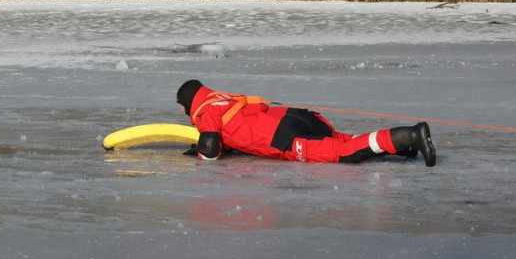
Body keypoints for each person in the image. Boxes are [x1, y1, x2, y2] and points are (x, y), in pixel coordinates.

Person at [176, 79, 436, 166]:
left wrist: (201, 150)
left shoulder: (204, 111)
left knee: (344, 154)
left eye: (182, 105)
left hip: (282, 138)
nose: (182, 110)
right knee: (345, 140)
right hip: (294, 117)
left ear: (189, 101)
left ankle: (410, 136)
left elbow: (209, 152)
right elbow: (232, 134)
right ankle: (401, 147)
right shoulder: (220, 98)